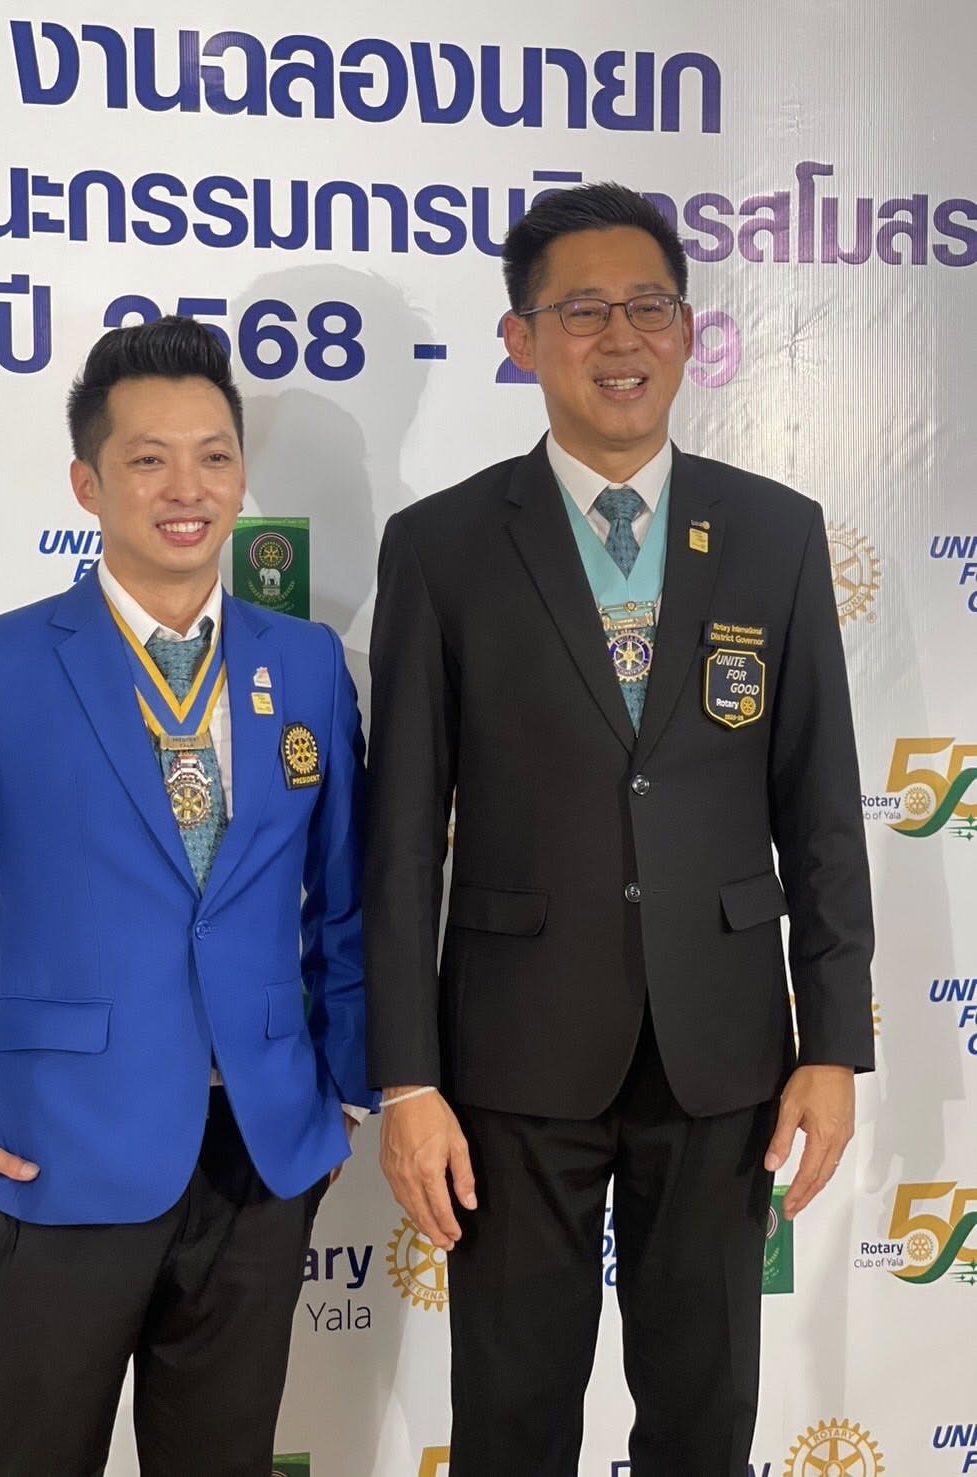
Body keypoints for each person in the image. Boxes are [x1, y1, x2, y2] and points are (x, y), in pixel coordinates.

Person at [364, 183, 874, 1476]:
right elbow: (402, 835)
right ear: (520, 340)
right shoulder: (441, 546)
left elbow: (820, 805)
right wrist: (408, 1079)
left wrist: (833, 1043)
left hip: (723, 1049)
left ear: (690, 332)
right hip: (511, 1055)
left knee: (704, 1421)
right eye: (581, 311)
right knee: (512, 1420)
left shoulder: (774, 533)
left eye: (649, 306)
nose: (621, 337)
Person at [0, 316, 373, 1476]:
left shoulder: (303, 664)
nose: (185, 488)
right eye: (149, 460)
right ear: (88, 484)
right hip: (51, 1158)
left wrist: (339, 1092)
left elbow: (346, 903)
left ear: (240, 475)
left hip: (259, 1160)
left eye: (213, 456)